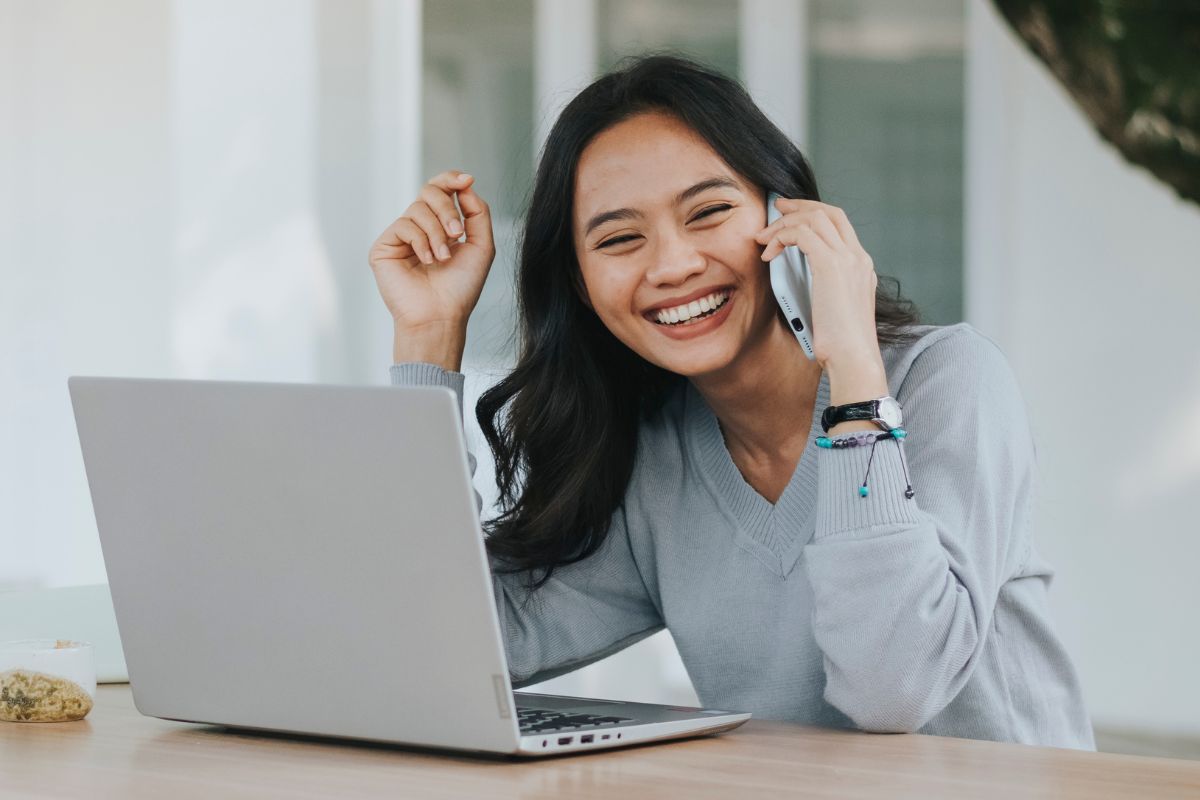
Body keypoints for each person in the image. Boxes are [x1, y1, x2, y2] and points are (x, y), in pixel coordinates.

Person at [367, 54, 1094, 749]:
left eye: (708, 212)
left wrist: (853, 374)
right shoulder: (655, 458)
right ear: (582, 287)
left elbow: (893, 688)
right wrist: (428, 340)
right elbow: (441, 646)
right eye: (620, 238)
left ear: (787, 217)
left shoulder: (949, 382)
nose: (674, 265)